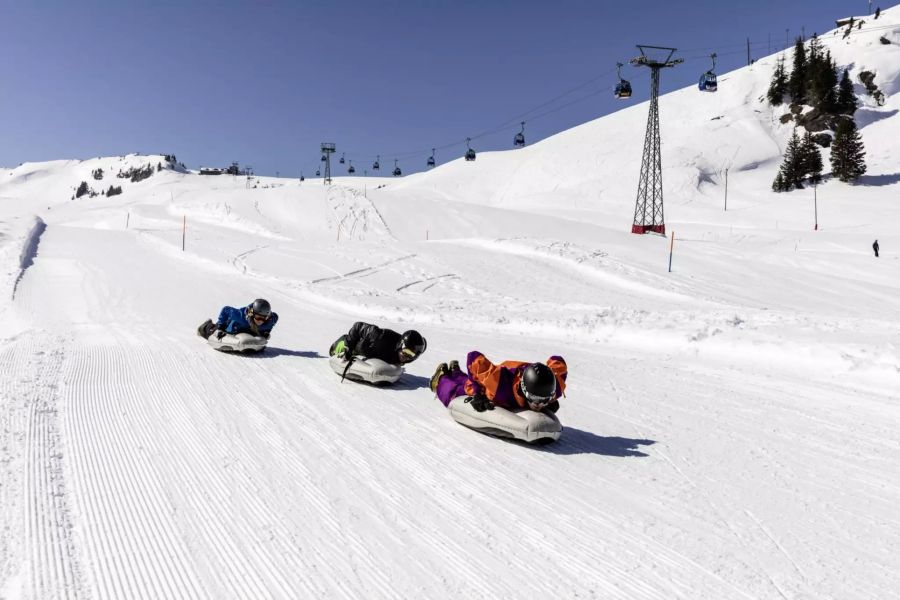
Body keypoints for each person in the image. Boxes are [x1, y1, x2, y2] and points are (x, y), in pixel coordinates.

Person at [430, 351, 567, 413]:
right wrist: (478, 394)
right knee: (464, 389)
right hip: (500, 376)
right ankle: (441, 378)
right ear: (524, 389)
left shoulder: (555, 387)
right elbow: (473, 357)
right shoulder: (500, 386)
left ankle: (455, 372)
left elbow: (558, 361)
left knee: (475, 378)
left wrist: (547, 398)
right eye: (535, 399)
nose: (540, 405)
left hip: (518, 371)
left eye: (545, 400)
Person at [329, 322, 427, 365]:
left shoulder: (408, 358)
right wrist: (348, 347)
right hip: (356, 346)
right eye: (406, 351)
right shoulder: (379, 336)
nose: (406, 356)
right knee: (334, 350)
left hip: (372, 355)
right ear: (401, 345)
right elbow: (358, 326)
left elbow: (421, 346)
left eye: (411, 355)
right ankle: (339, 345)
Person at [197, 298, 278, 340]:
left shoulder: (269, 321)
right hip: (230, 325)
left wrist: (266, 332)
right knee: (211, 333)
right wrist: (220, 328)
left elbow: (275, 317)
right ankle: (206, 325)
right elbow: (225, 310)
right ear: (252, 314)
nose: (261, 321)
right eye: (258, 317)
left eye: (264, 318)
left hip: (247, 330)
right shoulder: (241, 316)